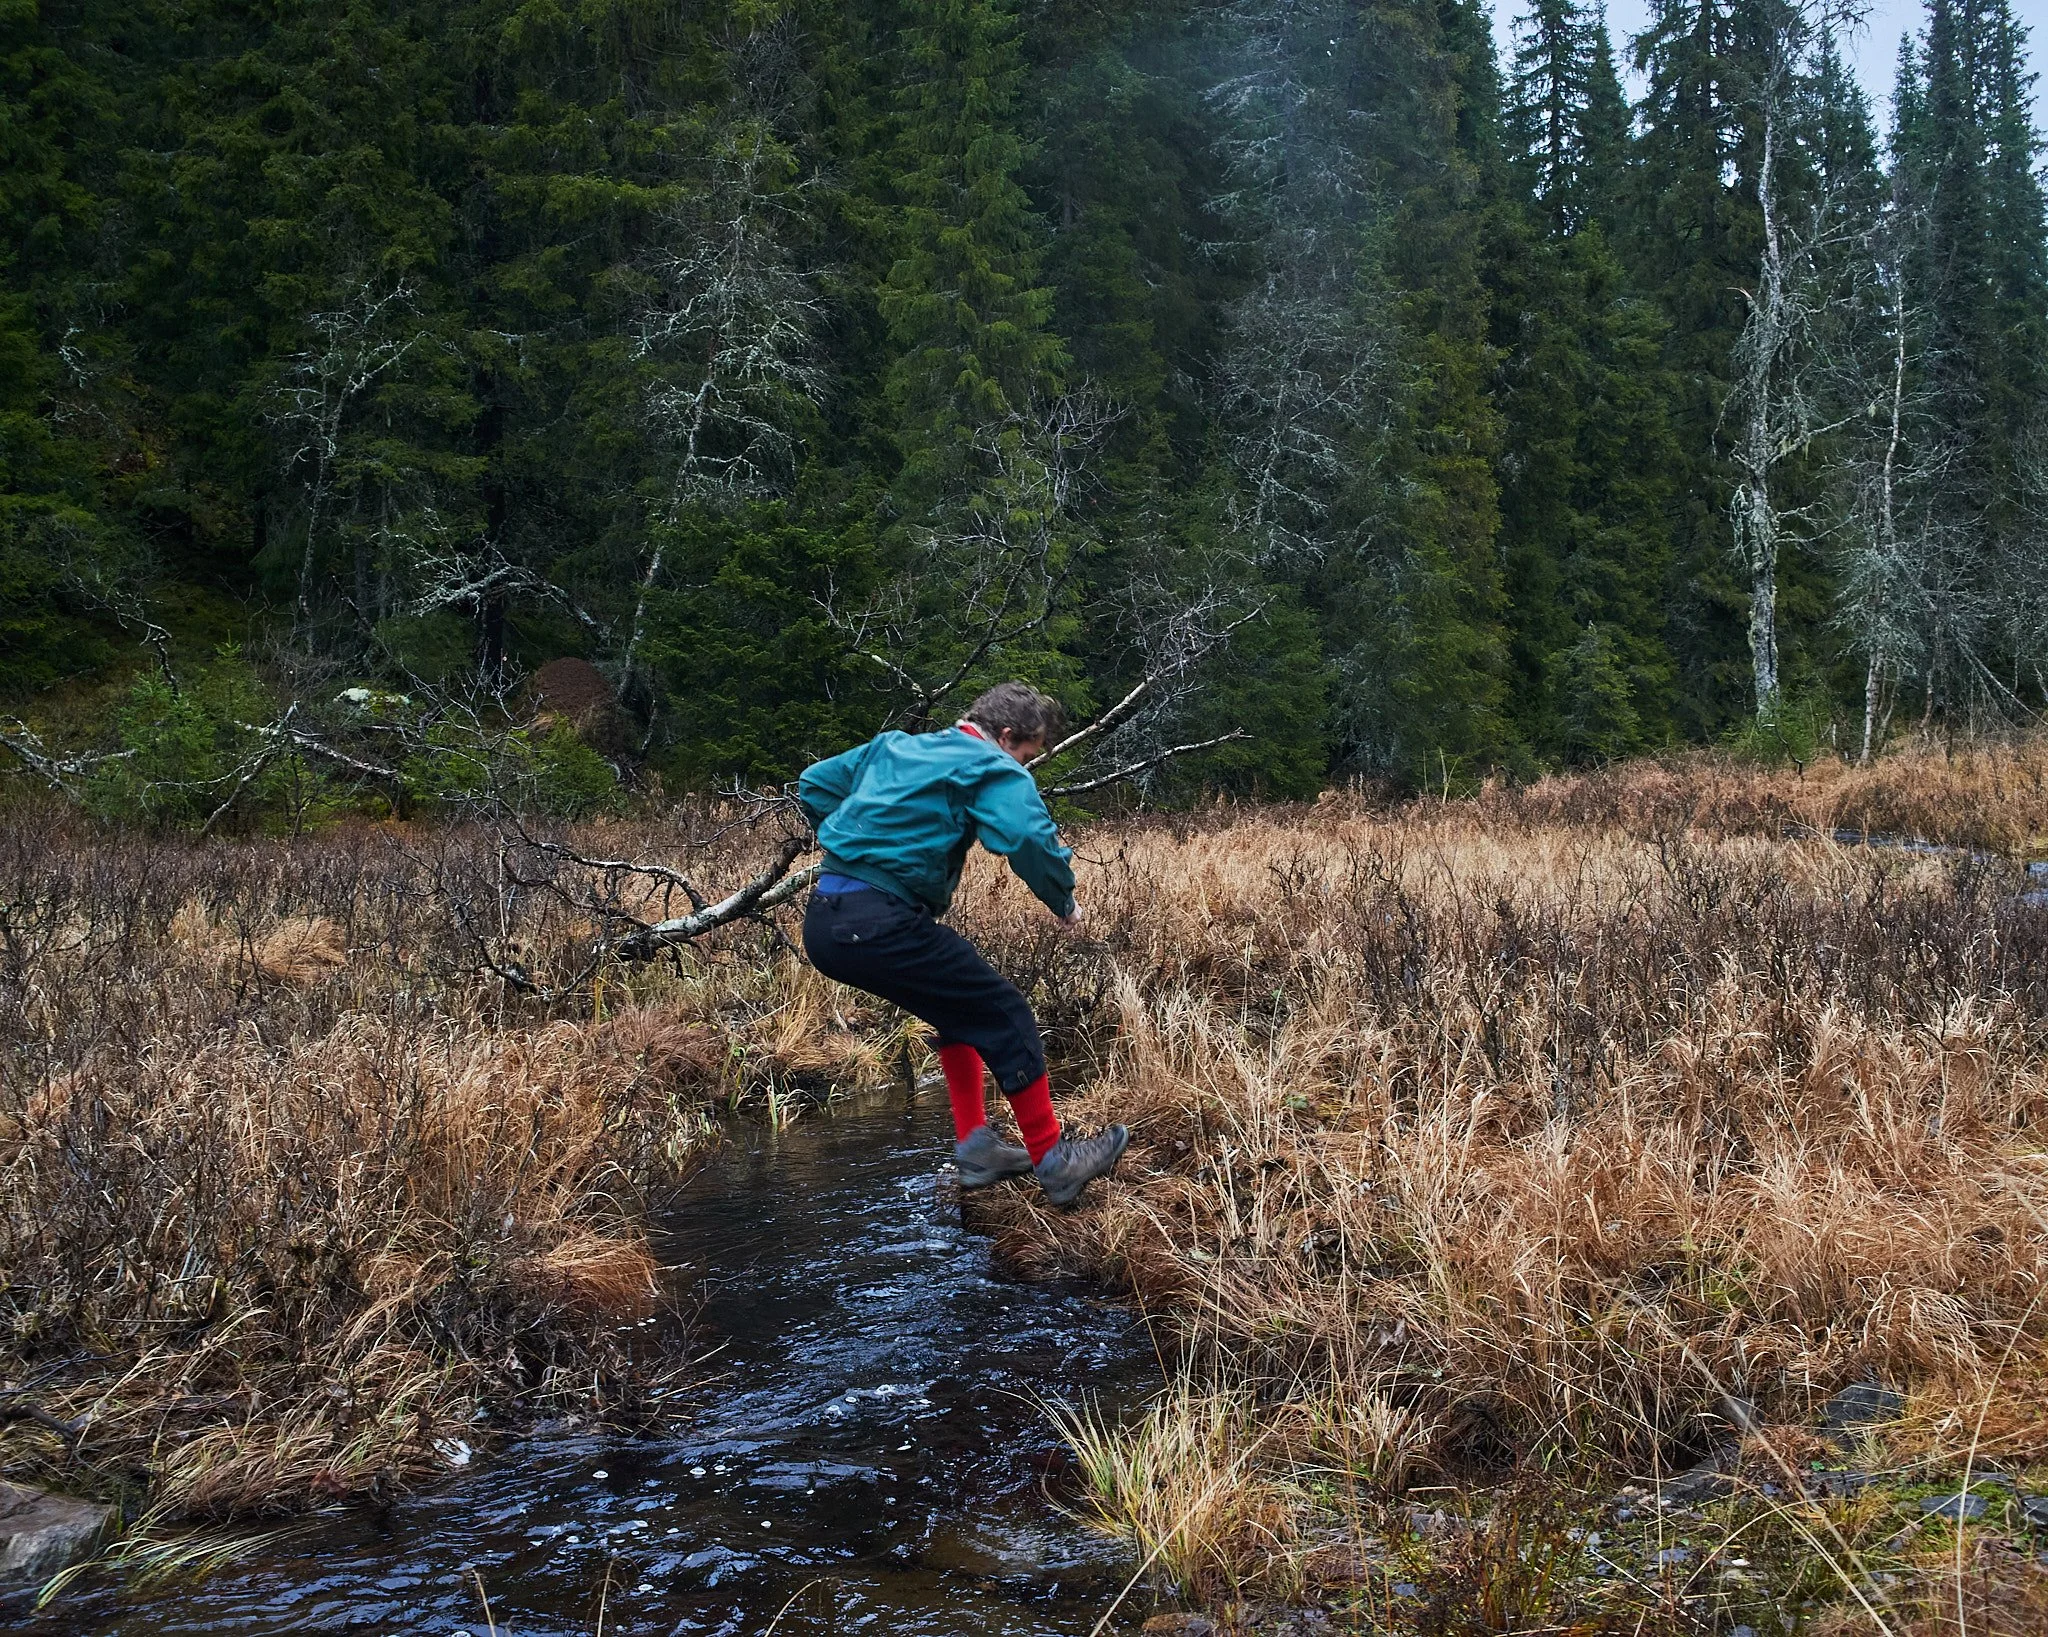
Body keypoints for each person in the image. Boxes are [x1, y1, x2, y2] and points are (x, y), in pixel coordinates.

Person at [797, 682, 1129, 1208]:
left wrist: (856, 846)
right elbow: (1025, 837)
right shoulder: (990, 765)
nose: (1025, 768)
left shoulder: (895, 747)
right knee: (1005, 1012)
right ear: (1005, 737)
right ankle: (1055, 1162)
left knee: (959, 1011)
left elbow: (814, 784)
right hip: (880, 923)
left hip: (826, 922)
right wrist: (1064, 902)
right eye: (1027, 756)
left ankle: (977, 1149)